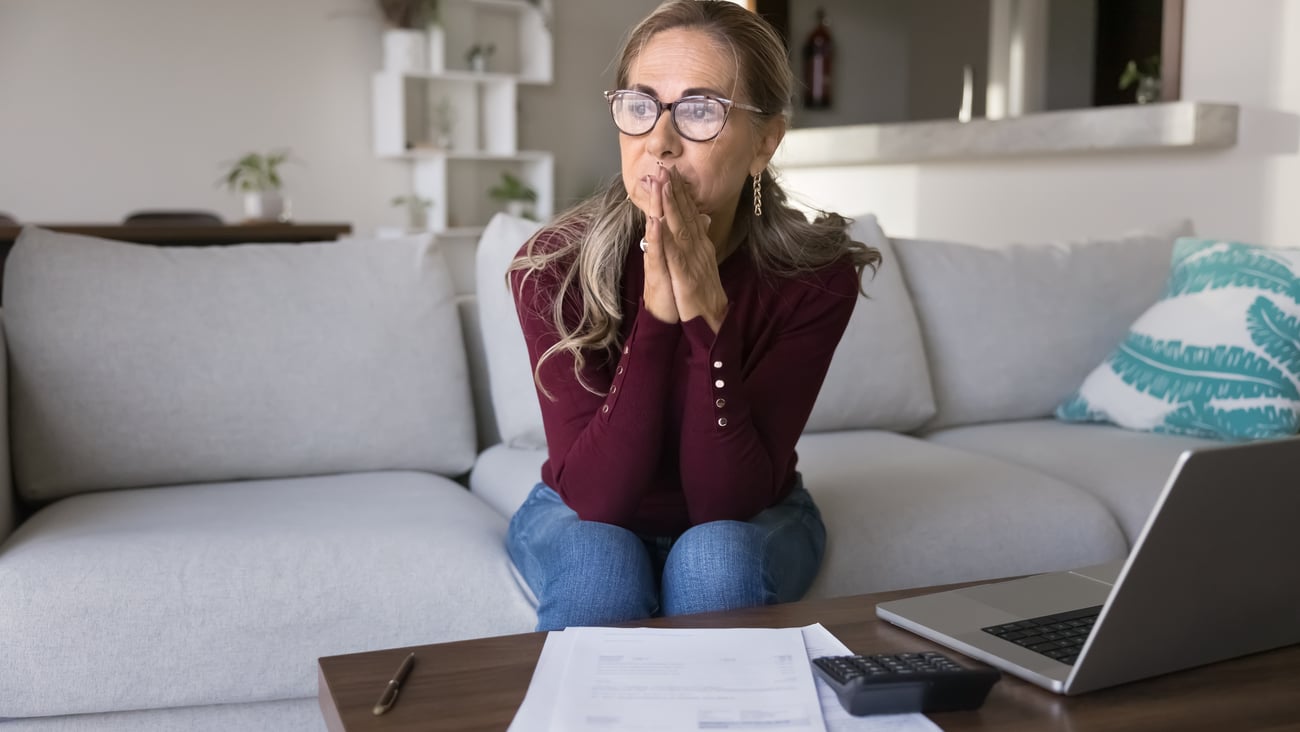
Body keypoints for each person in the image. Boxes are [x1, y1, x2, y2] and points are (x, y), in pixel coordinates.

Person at [505, 0, 881, 632]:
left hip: (754, 512)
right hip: (577, 508)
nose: (659, 141)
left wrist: (709, 326)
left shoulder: (816, 276)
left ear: (765, 143)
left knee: (715, 559)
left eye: (701, 109)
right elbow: (599, 501)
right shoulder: (552, 268)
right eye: (641, 104)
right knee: (600, 562)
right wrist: (657, 319)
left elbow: (724, 504)